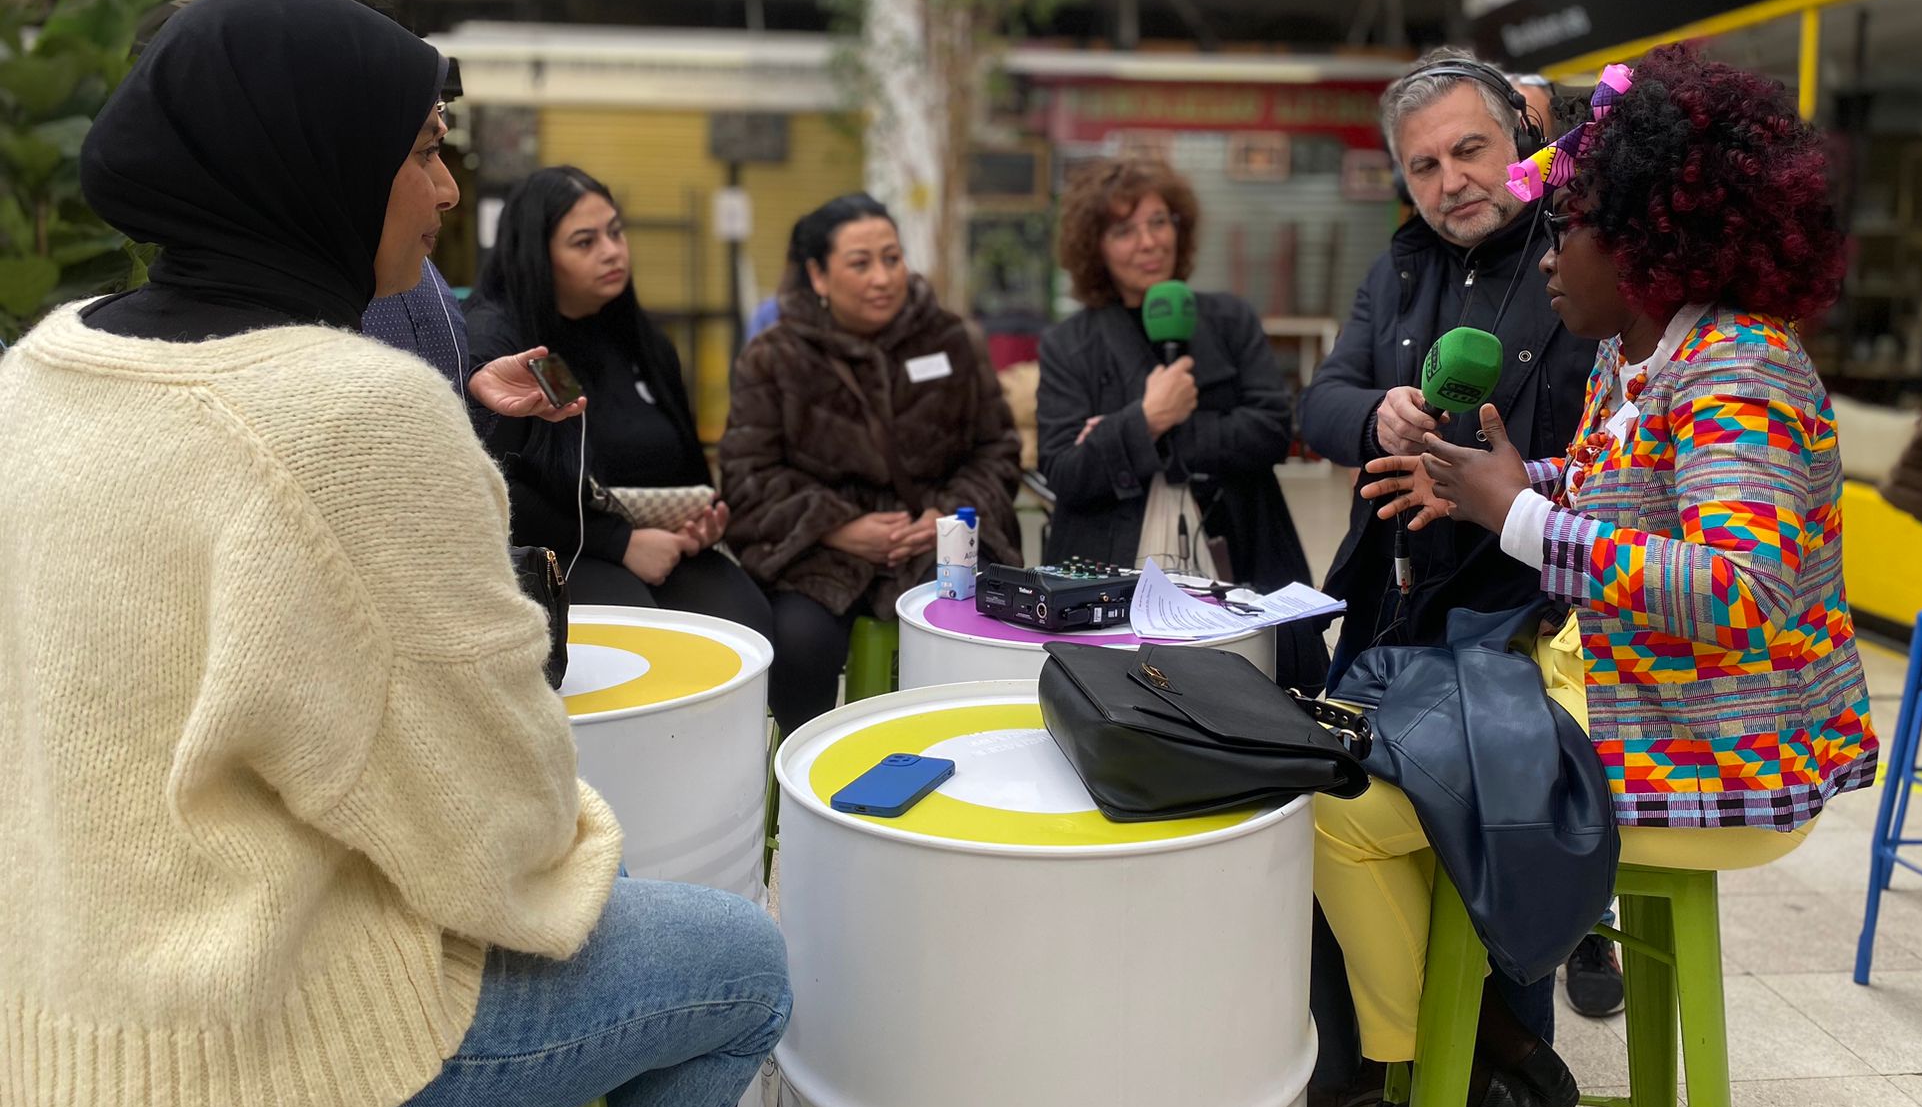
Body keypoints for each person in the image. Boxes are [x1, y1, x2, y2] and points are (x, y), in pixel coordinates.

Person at [0, 0, 789, 1107]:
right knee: (745, 965)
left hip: (56, 1038)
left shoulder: (42, 373)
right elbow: (498, 837)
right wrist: (586, 847)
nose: (447, 191)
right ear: (312, 160)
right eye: (421, 151)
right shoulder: (352, 414)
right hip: (268, 1072)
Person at [1330, 45, 1880, 1107]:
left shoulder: (1741, 368)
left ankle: (1456, 1069)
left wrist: (1516, 519)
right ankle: (1489, 1058)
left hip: (1714, 749)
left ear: (1644, 245)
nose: (1547, 257)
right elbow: (1616, 495)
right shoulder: (1636, 358)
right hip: (1618, 700)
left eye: (1569, 225)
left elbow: (1745, 586)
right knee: (1357, 745)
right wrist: (1498, 482)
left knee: (1342, 806)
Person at [1297, 50, 1599, 1107]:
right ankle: (1394, 1056)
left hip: (1523, 610)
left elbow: (1605, 457)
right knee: (1340, 814)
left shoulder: (1582, 258)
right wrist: (1372, 411)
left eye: (1468, 148)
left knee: (1488, 832)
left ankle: (1492, 1092)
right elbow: (1318, 401)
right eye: (1422, 165)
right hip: (1385, 599)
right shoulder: (1400, 267)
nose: (1450, 180)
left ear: (1517, 139)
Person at [721, 194, 1024, 733]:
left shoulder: (952, 341)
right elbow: (748, 475)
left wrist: (946, 518)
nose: (883, 277)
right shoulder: (775, 357)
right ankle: (805, 780)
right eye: (860, 264)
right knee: (799, 642)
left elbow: (997, 451)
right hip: (820, 560)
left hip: (941, 548)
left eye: (892, 257)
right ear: (818, 275)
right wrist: (836, 527)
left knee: (968, 638)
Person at [1035, 154, 1326, 688]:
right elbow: (1064, 470)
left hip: (1237, 550)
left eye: (1158, 222)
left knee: (1252, 696)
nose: (1148, 242)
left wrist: (1150, 433)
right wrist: (1143, 419)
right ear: (1094, 247)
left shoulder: (1229, 319)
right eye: (1124, 230)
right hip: (1111, 561)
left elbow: (1272, 431)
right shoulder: (1068, 344)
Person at [466, 167, 775, 639]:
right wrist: (621, 543)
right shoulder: (505, 346)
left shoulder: (638, 337)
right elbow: (498, 487)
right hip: (558, 546)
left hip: (657, 541)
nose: (612, 251)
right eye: (585, 242)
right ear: (536, 255)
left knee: (743, 624)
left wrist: (697, 521)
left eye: (615, 232)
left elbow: (679, 462)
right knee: (646, 643)